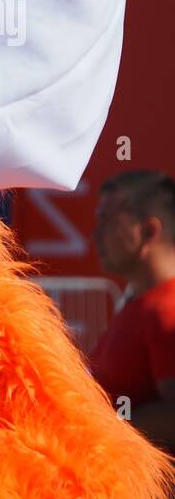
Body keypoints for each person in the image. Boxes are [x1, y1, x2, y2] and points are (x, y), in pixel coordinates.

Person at [89, 170, 175, 448]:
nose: (95, 235)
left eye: (107, 222)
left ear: (149, 231)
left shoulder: (167, 308)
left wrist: (98, 432)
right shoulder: (140, 305)